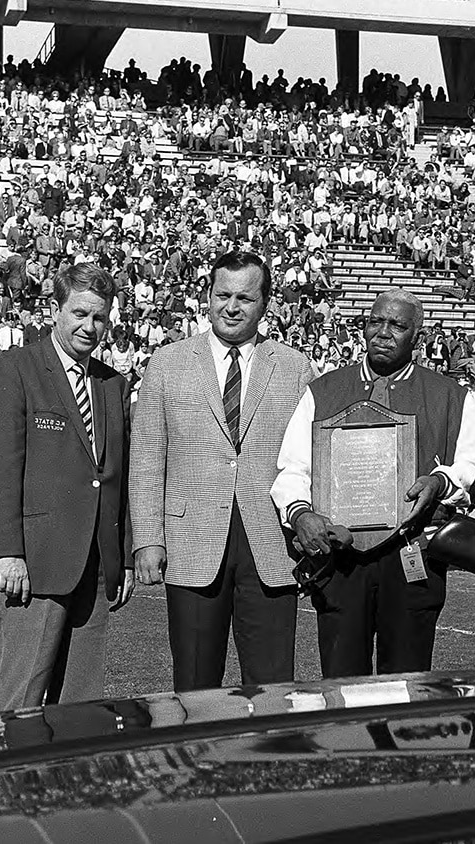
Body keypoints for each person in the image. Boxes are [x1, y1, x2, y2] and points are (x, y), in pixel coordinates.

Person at [272, 288, 475, 678]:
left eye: (398, 325)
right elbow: (292, 468)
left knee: (405, 682)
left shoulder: (451, 396)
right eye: (375, 322)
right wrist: (300, 513)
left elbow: (470, 463)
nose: (383, 333)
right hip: (341, 559)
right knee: (341, 681)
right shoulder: (322, 391)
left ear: (418, 339)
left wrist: (440, 481)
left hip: (412, 555)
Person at [131, 251, 315, 692]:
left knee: (272, 684)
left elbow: (311, 456)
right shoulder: (168, 362)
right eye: (223, 295)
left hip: (271, 543)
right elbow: (147, 456)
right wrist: (147, 539)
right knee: (194, 681)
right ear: (208, 298)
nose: (232, 307)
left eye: (245, 298)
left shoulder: (294, 368)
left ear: (264, 304)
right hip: (190, 541)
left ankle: (267, 759)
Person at [0, 262, 134, 711]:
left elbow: (115, 478)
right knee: (18, 702)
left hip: (95, 565)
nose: (90, 326)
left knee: (80, 707)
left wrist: (120, 557)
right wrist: (7, 551)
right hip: (34, 564)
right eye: (80, 313)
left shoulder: (112, 384)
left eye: (100, 317)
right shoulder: (15, 369)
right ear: (55, 310)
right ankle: (7, 781)